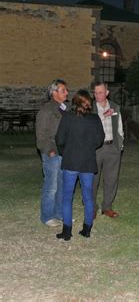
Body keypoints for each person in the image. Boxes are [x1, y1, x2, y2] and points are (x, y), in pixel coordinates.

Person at [55, 90, 105, 241]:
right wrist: (88, 149)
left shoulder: (67, 117)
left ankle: (67, 231)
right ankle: (87, 229)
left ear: (75, 102)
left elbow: (59, 139)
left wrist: (66, 152)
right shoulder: (95, 119)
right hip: (88, 162)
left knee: (67, 197)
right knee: (88, 197)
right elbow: (99, 140)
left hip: (71, 161)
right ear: (89, 103)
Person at [35, 79, 69, 227]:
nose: (67, 93)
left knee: (63, 185)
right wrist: (50, 151)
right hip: (53, 154)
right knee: (51, 186)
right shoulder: (46, 110)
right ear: (54, 93)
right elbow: (41, 135)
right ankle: (47, 216)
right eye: (63, 90)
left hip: (65, 153)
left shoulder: (65, 108)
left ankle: (60, 214)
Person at [92, 81, 124, 218]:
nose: (97, 95)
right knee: (93, 180)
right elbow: (88, 125)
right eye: (95, 92)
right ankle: (91, 208)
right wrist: (103, 115)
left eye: (100, 92)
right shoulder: (90, 108)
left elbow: (119, 127)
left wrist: (120, 144)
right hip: (95, 148)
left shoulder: (115, 107)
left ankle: (107, 207)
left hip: (112, 147)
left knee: (111, 179)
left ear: (107, 92)